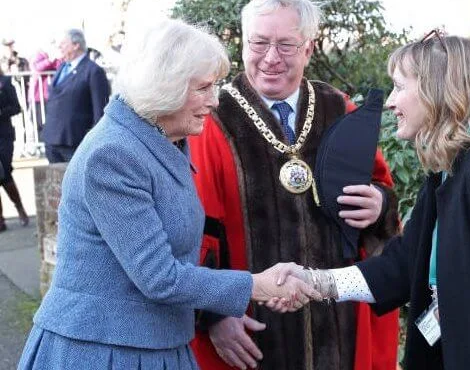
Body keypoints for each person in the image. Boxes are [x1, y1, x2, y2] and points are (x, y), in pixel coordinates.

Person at [274, 32, 470, 370]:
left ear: (437, 90)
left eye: (400, 87)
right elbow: (402, 265)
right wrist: (315, 282)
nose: (390, 102)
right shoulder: (452, 169)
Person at [17, 19, 320, 370]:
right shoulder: (113, 154)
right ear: (166, 87)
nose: (214, 100)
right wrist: (258, 286)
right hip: (104, 350)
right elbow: (160, 277)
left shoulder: (160, 138)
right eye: (204, 88)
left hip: (152, 344)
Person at [188, 0, 400, 370]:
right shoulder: (212, 118)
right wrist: (216, 315)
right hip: (250, 326)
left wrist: (378, 205)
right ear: (242, 44)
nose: (271, 58)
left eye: (286, 45)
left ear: (308, 49)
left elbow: (380, 189)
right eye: (259, 43)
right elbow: (196, 228)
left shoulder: (340, 108)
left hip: (339, 320)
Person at [42, 29, 110, 163]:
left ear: (76, 45)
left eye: (63, 43)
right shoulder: (62, 68)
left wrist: (95, 139)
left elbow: (99, 110)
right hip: (53, 139)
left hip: (75, 140)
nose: (59, 47)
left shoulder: (93, 71)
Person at [0, 70, 29, 230]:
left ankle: (19, 207)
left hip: (3, 135)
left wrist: (1, 112)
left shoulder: (5, 81)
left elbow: (16, 107)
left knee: (4, 172)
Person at [28, 48, 61, 134]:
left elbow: (60, 67)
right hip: (38, 98)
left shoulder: (59, 57)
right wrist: (50, 60)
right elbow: (37, 68)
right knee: (39, 123)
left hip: (52, 97)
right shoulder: (38, 55)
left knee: (51, 124)